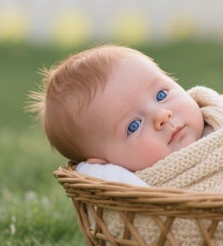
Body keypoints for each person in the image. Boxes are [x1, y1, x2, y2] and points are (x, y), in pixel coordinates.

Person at [28, 45, 210, 176]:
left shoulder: (220, 114)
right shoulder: (135, 192)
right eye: (134, 126)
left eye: (161, 95)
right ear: (106, 165)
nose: (162, 115)